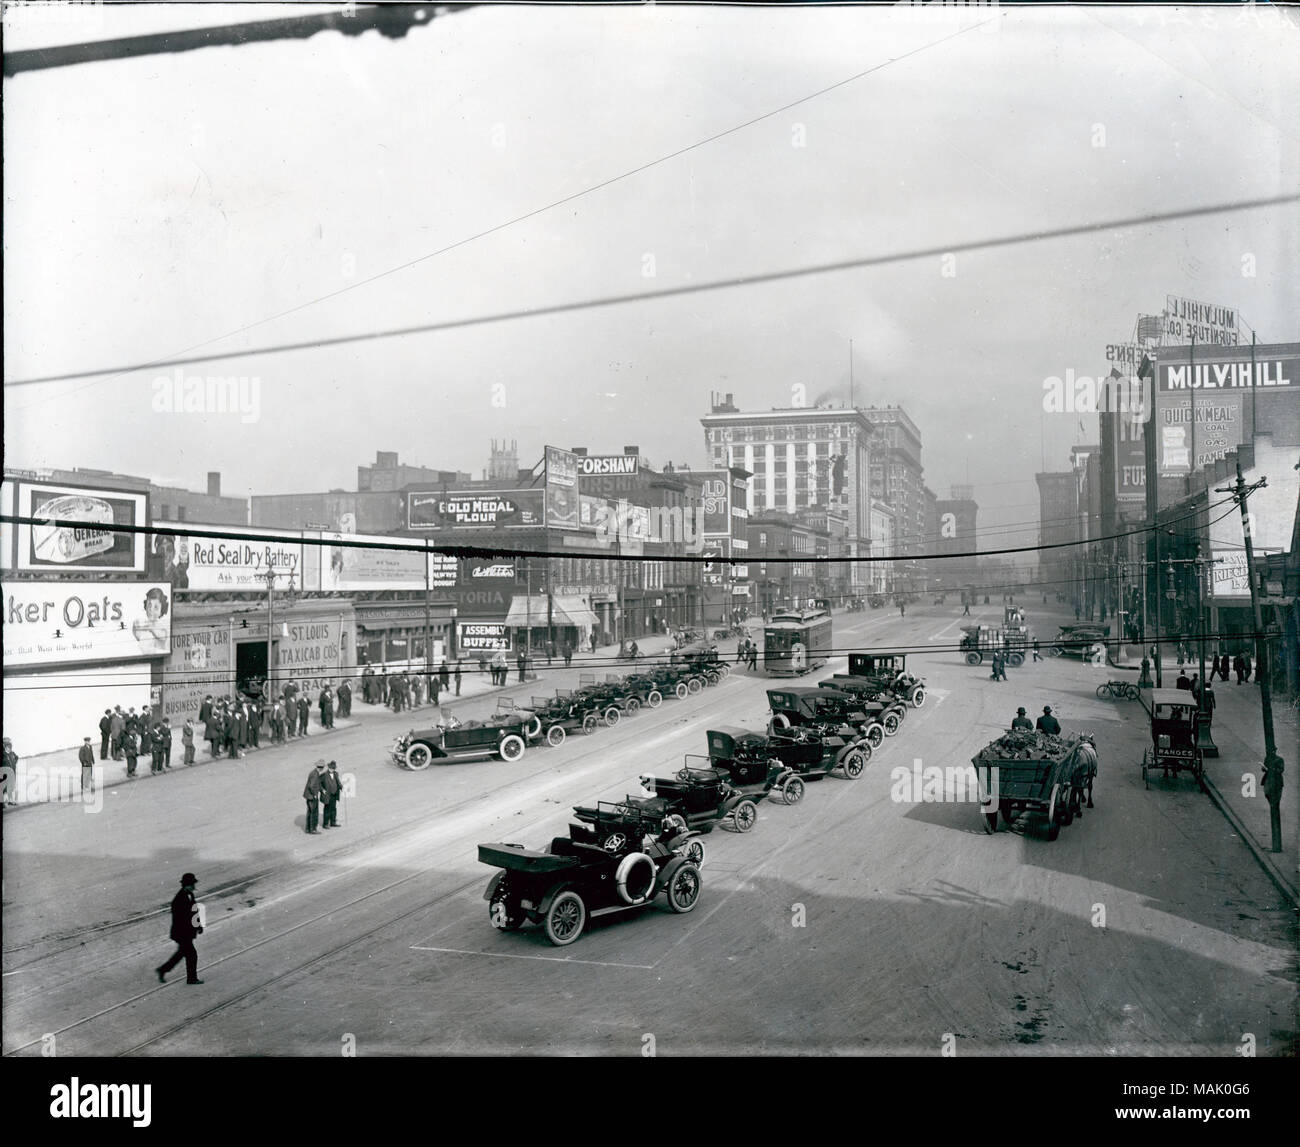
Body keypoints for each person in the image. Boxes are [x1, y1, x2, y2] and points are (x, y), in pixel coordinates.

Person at [156, 873, 203, 985]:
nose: (194, 886)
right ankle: (191, 979)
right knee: (191, 954)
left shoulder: (189, 894)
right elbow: (179, 919)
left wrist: (198, 925)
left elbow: (194, 911)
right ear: (188, 884)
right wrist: (191, 928)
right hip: (181, 933)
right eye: (192, 884)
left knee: (182, 953)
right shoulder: (179, 898)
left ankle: (163, 970)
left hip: (187, 932)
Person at [303, 760, 326, 834]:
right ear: (321, 768)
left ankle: (308, 829)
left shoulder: (314, 772)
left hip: (308, 796)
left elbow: (317, 784)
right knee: (314, 812)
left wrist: (322, 790)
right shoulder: (315, 774)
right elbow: (312, 786)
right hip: (312, 796)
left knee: (309, 812)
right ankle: (313, 829)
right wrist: (315, 795)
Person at [320, 760, 341, 829]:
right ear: (328, 767)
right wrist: (322, 790)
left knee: (333, 808)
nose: (332, 769)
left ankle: (333, 822)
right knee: (327, 809)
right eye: (331, 768)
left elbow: (338, 781)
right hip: (327, 795)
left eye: (333, 768)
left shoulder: (336, 774)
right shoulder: (324, 775)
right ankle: (325, 824)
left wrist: (341, 787)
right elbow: (318, 783)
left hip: (334, 794)